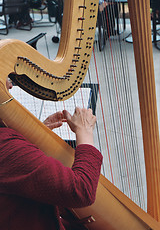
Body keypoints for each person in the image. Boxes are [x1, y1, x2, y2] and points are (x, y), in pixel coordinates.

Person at [0, 78, 103, 230]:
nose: (10, 84)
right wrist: (85, 131)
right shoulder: (6, 146)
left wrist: (30, 140)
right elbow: (81, 190)